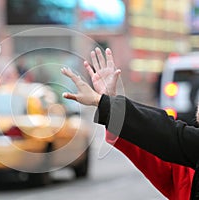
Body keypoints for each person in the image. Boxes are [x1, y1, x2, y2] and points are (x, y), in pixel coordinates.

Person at [61, 47, 199, 200]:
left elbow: (168, 133)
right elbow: (149, 143)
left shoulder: (187, 147)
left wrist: (104, 102)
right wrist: (110, 102)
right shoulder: (183, 166)